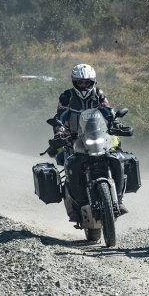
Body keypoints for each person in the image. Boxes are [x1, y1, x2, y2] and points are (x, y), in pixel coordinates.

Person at [52, 63, 128, 222]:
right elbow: (60, 115)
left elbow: (108, 111)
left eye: (86, 82)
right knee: (69, 165)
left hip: (97, 136)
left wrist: (116, 122)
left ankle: (119, 199)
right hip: (74, 139)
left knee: (118, 158)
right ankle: (72, 208)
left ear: (92, 82)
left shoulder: (99, 94)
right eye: (80, 82)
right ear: (74, 82)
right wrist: (60, 130)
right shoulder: (67, 96)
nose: (83, 85)